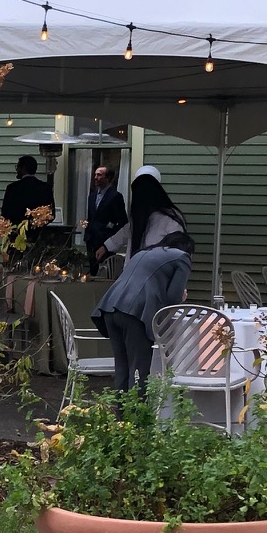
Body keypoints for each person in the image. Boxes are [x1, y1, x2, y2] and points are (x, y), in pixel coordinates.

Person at [92, 167, 194, 390]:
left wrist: (106, 246)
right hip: (139, 307)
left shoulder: (166, 220)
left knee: (123, 365)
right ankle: (137, 417)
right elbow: (172, 299)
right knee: (140, 366)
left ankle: (121, 415)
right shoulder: (179, 255)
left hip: (112, 305)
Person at [84, 162, 128, 264]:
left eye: (99, 175)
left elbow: (122, 221)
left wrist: (110, 236)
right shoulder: (92, 196)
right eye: (95, 174)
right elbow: (91, 217)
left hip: (105, 242)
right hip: (91, 240)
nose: (95, 177)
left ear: (108, 178)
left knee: (104, 271)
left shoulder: (115, 196)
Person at [1, 155, 55, 235]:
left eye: (18, 167)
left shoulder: (13, 188)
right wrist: (37, 225)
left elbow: (5, 213)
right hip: (38, 235)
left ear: (23, 168)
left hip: (17, 234)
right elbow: (51, 214)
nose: (17, 170)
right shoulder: (45, 188)